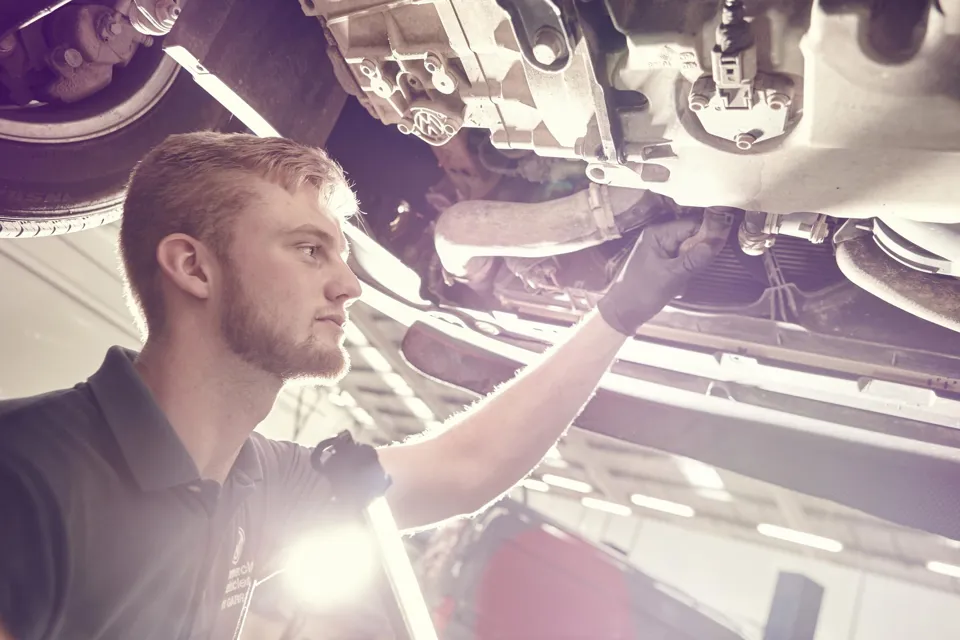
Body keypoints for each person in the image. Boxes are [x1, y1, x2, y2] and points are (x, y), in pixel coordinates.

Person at [0, 132, 729, 640]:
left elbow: (463, 469)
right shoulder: (22, 473)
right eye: (309, 249)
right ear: (194, 268)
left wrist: (622, 309)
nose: (348, 285)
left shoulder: (256, 485)